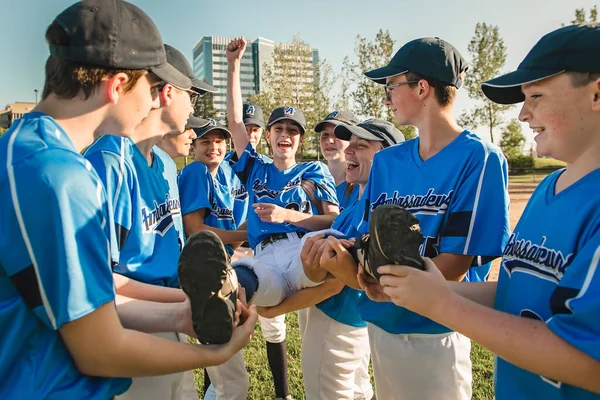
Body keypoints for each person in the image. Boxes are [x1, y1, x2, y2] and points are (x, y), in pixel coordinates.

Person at [0, 2, 256, 399]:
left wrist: (185, 314)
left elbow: (95, 297)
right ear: (117, 86)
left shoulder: (41, 155)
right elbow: (99, 349)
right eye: (150, 87)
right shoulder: (52, 172)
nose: (154, 100)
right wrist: (218, 352)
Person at [372, 24, 600, 399]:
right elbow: (518, 292)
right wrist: (422, 289)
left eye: (537, 95)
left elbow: (589, 359)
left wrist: (442, 303)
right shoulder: (550, 187)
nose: (523, 114)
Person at [316, 37, 511, 400]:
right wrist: (346, 256)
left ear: (422, 88)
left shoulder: (479, 158)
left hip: (434, 332)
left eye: (392, 86)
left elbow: (455, 265)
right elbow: (369, 244)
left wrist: (379, 280)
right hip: (381, 324)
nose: (386, 98)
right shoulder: (388, 162)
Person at [179, 36, 340, 400]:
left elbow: (331, 218)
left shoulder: (313, 170)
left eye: (293, 131)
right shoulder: (256, 168)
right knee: (242, 278)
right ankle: (215, 305)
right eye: (279, 129)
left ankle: (308, 281)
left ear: (299, 140)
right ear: (267, 136)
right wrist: (233, 66)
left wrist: (289, 215)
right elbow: (235, 121)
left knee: (315, 258)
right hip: (264, 254)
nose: (286, 135)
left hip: (302, 247)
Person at [261, 118, 402, 399]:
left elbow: (335, 285)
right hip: (349, 323)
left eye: (361, 146)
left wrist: (274, 309)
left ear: (387, 154)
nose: (349, 150)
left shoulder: (378, 212)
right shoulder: (356, 206)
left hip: (337, 325)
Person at [314, 110, 360, 207]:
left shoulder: (362, 187)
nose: (329, 140)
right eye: (325, 135)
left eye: (337, 135)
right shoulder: (312, 181)